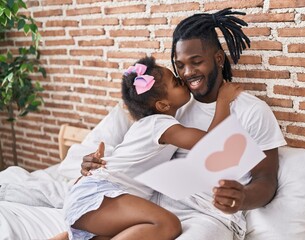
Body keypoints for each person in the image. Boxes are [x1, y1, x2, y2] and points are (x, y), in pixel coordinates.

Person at [79, 8, 286, 240]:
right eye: (179, 65)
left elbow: (266, 179)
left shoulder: (252, 111)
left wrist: (242, 198)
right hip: (152, 208)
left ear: (218, 58)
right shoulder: (171, 108)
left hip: (209, 215)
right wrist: (96, 164)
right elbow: (133, 156)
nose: (187, 73)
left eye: (196, 62)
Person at [62, 56, 242, 240]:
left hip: (92, 193)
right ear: (163, 105)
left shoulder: (146, 124)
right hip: (100, 193)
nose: (182, 80)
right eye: (175, 82)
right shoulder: (161, 125)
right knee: (167, 224)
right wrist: (223, 101)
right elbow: (211, 143)